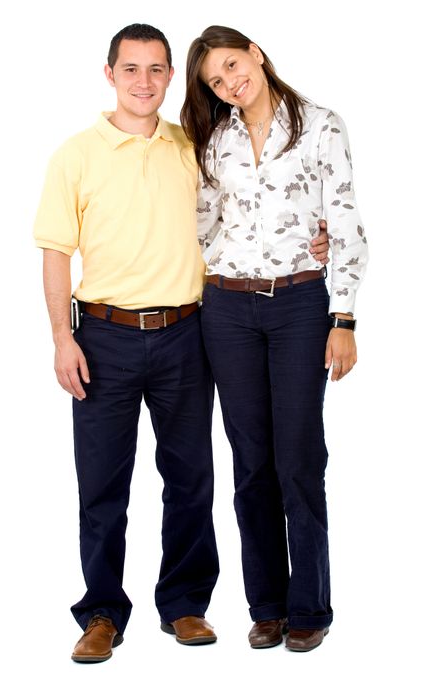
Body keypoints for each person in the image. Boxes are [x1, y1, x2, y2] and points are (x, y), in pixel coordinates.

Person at [34, 23, 329, 663]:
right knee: (102, 486)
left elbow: (248, 209)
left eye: (157, 69)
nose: (144, 81)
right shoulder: (76, 155)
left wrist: (318, 236)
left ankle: (186, 605)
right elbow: (56, 252)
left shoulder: (195, 144)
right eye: (131, 68)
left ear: (171, 77)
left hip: (188, 334)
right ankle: (102, 613)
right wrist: (63, 338)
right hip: (104, 336)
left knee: (192, 478)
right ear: (109, 74)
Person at [181, 25, 368, 652]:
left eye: (234, 65)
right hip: (227, 311)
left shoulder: (321, 124)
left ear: (256, 53)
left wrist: (342, 318)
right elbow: (201, 224)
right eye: (216, 80)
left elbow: (344, 225)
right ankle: (266, 605)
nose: (231, 82)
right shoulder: (216, 141)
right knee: (250, 461)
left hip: (299, 306)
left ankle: (310, 606)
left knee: (298, 457)